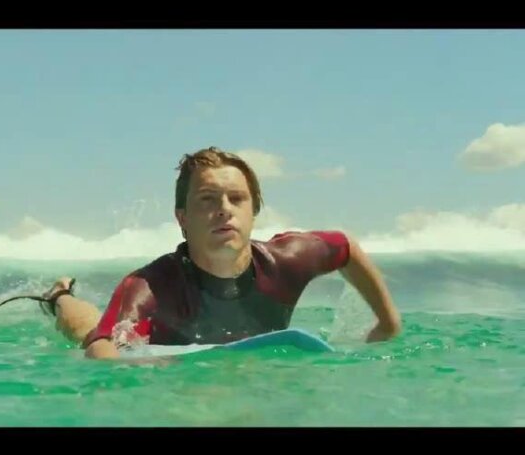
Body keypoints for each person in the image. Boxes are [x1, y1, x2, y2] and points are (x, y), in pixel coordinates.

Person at [41, 147, 402, 359]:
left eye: (237, 199)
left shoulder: (286, 261)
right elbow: (101, 347)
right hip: (160, 345)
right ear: (182, 218)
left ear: (253, 211)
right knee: (85, 329)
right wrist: (136, 367)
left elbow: (345, 247)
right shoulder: (150, 286)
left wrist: (388, 323)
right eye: (207, 199)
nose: (224, 209)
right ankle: (59, 296)